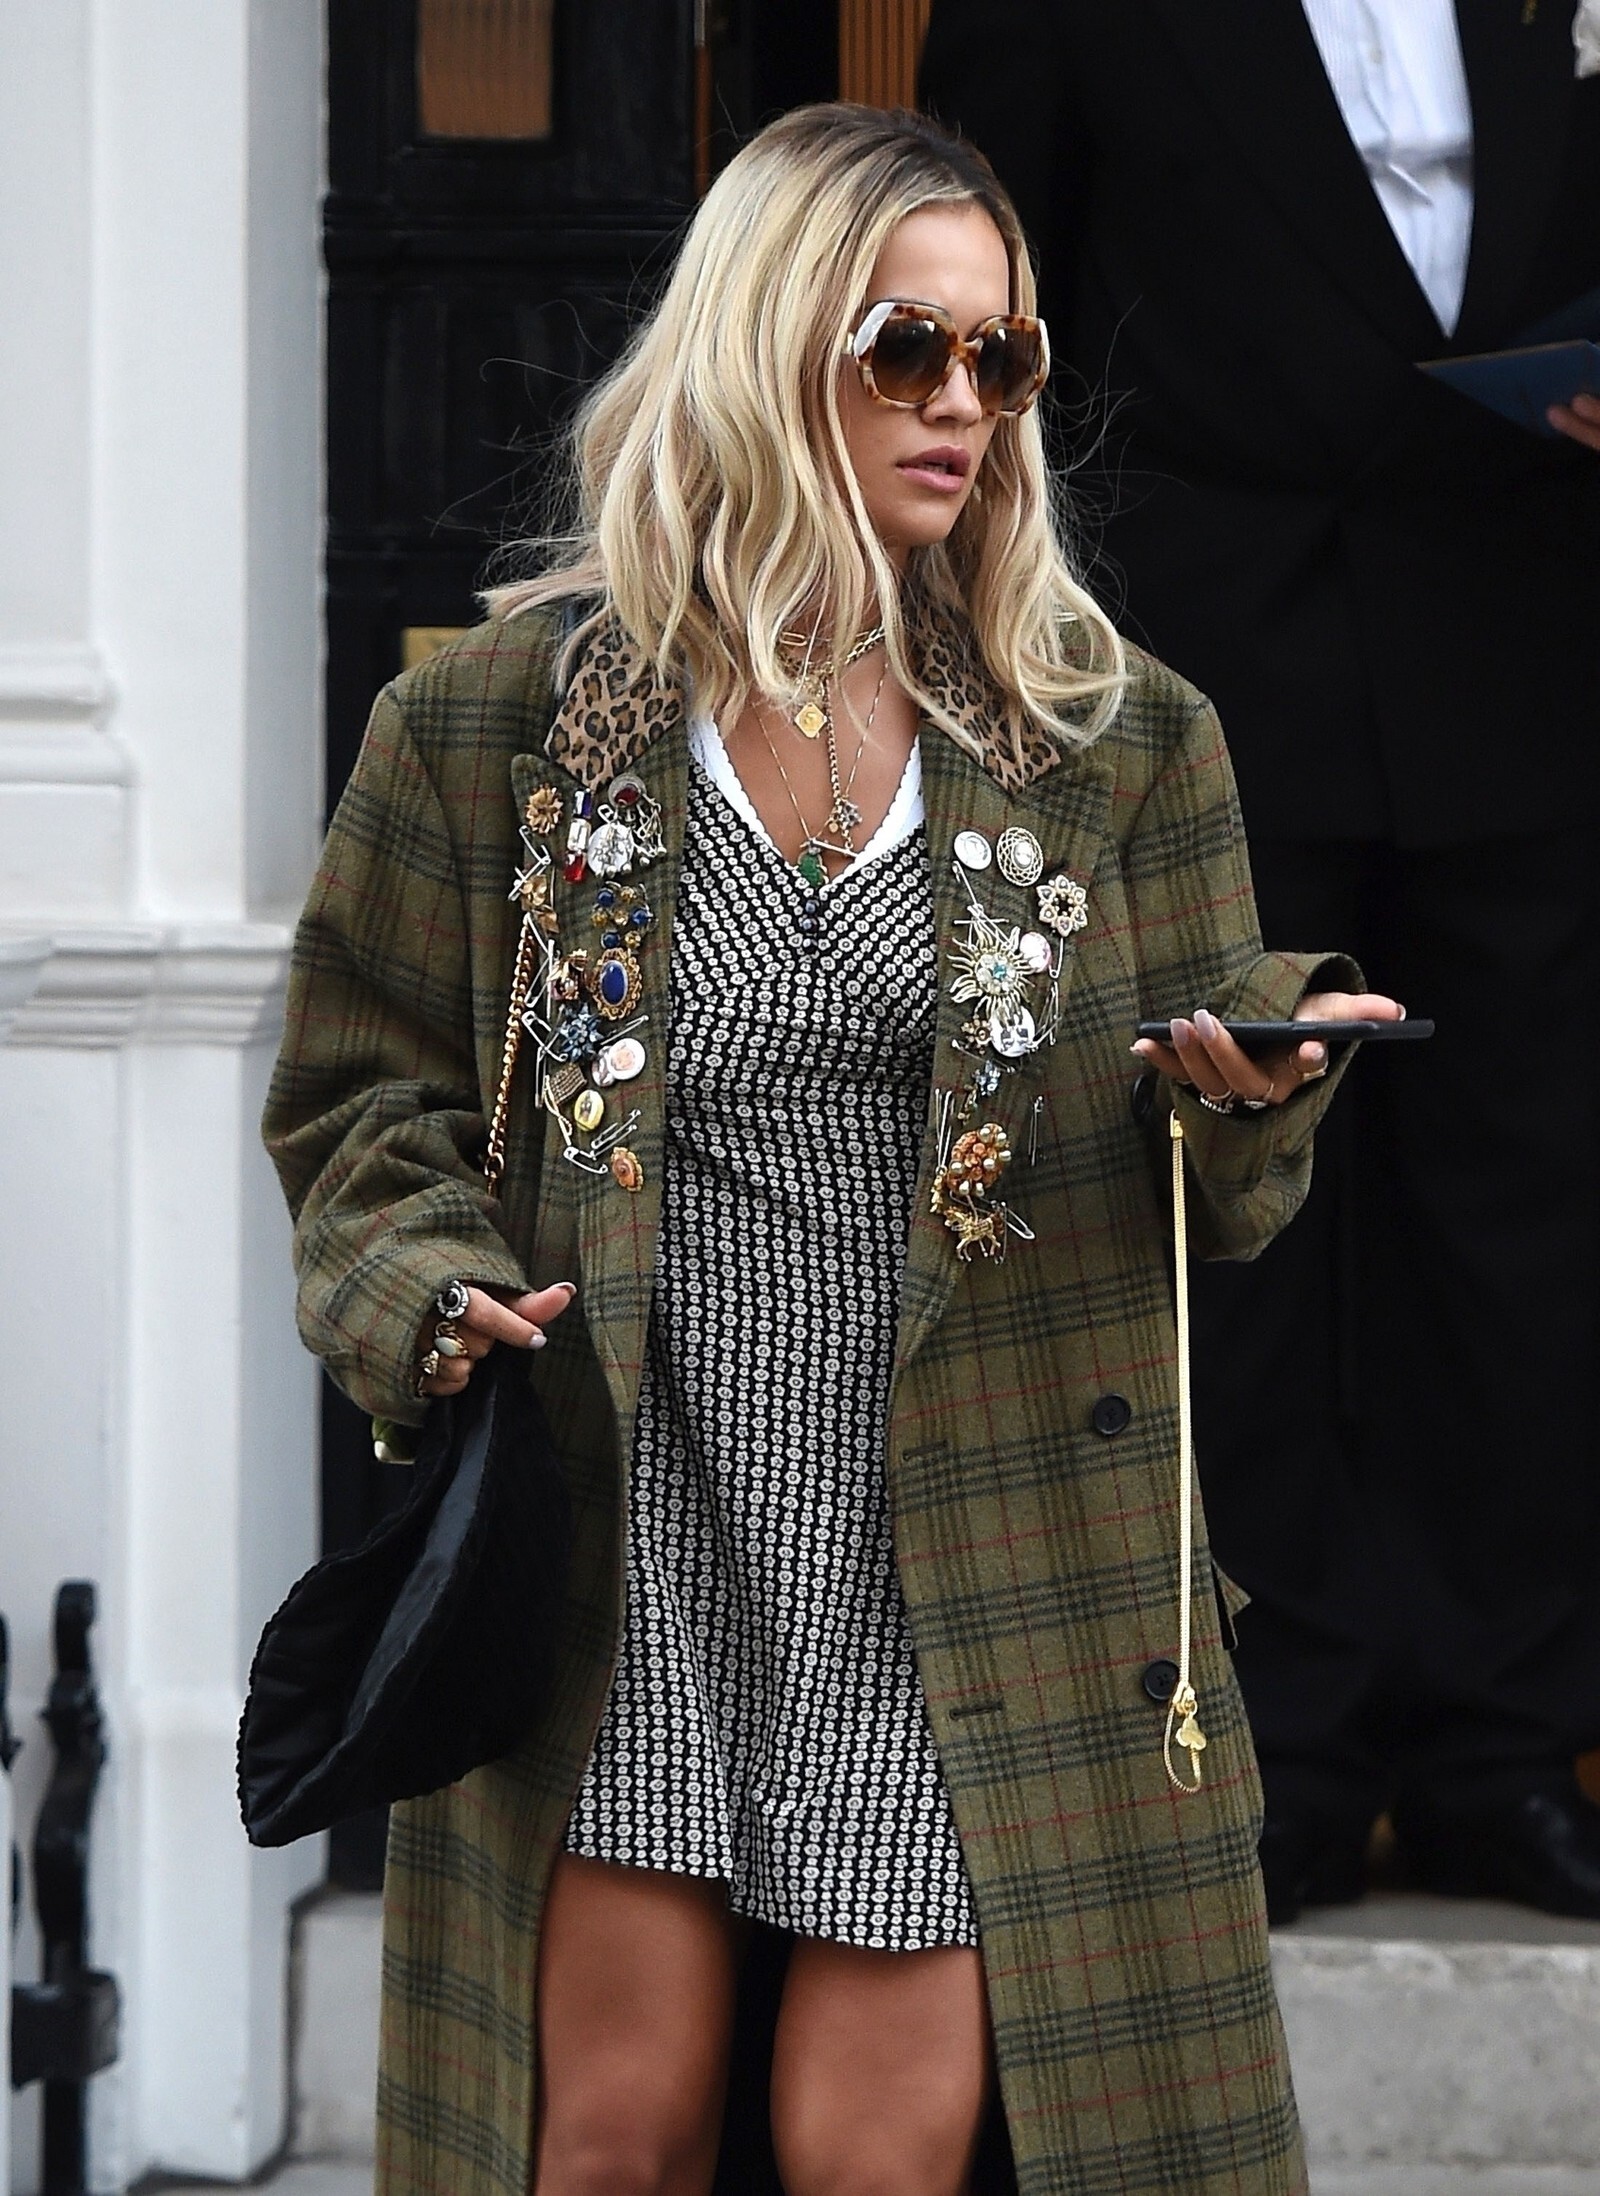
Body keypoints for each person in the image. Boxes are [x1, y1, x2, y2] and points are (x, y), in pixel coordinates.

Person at [264, 104, 1396, 2196]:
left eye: (1001, 355)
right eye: (907, 347)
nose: (963, 400)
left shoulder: (1114, 739)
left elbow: (1211, 1179)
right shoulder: (495, 727)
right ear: (767, 342)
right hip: (629, 1524)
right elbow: (361, 1095)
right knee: (607, 2147)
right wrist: (430, 1290)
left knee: (873, 2165)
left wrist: (1242, 1087)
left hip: (967, 1552)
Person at [921, 0, 1600, 1926]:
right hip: (1198, 665)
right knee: (1230, 1224)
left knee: (1527, 1226)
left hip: (1531, 647)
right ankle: (1259, 1746)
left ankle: (1500, 1750)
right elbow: (984, 301)